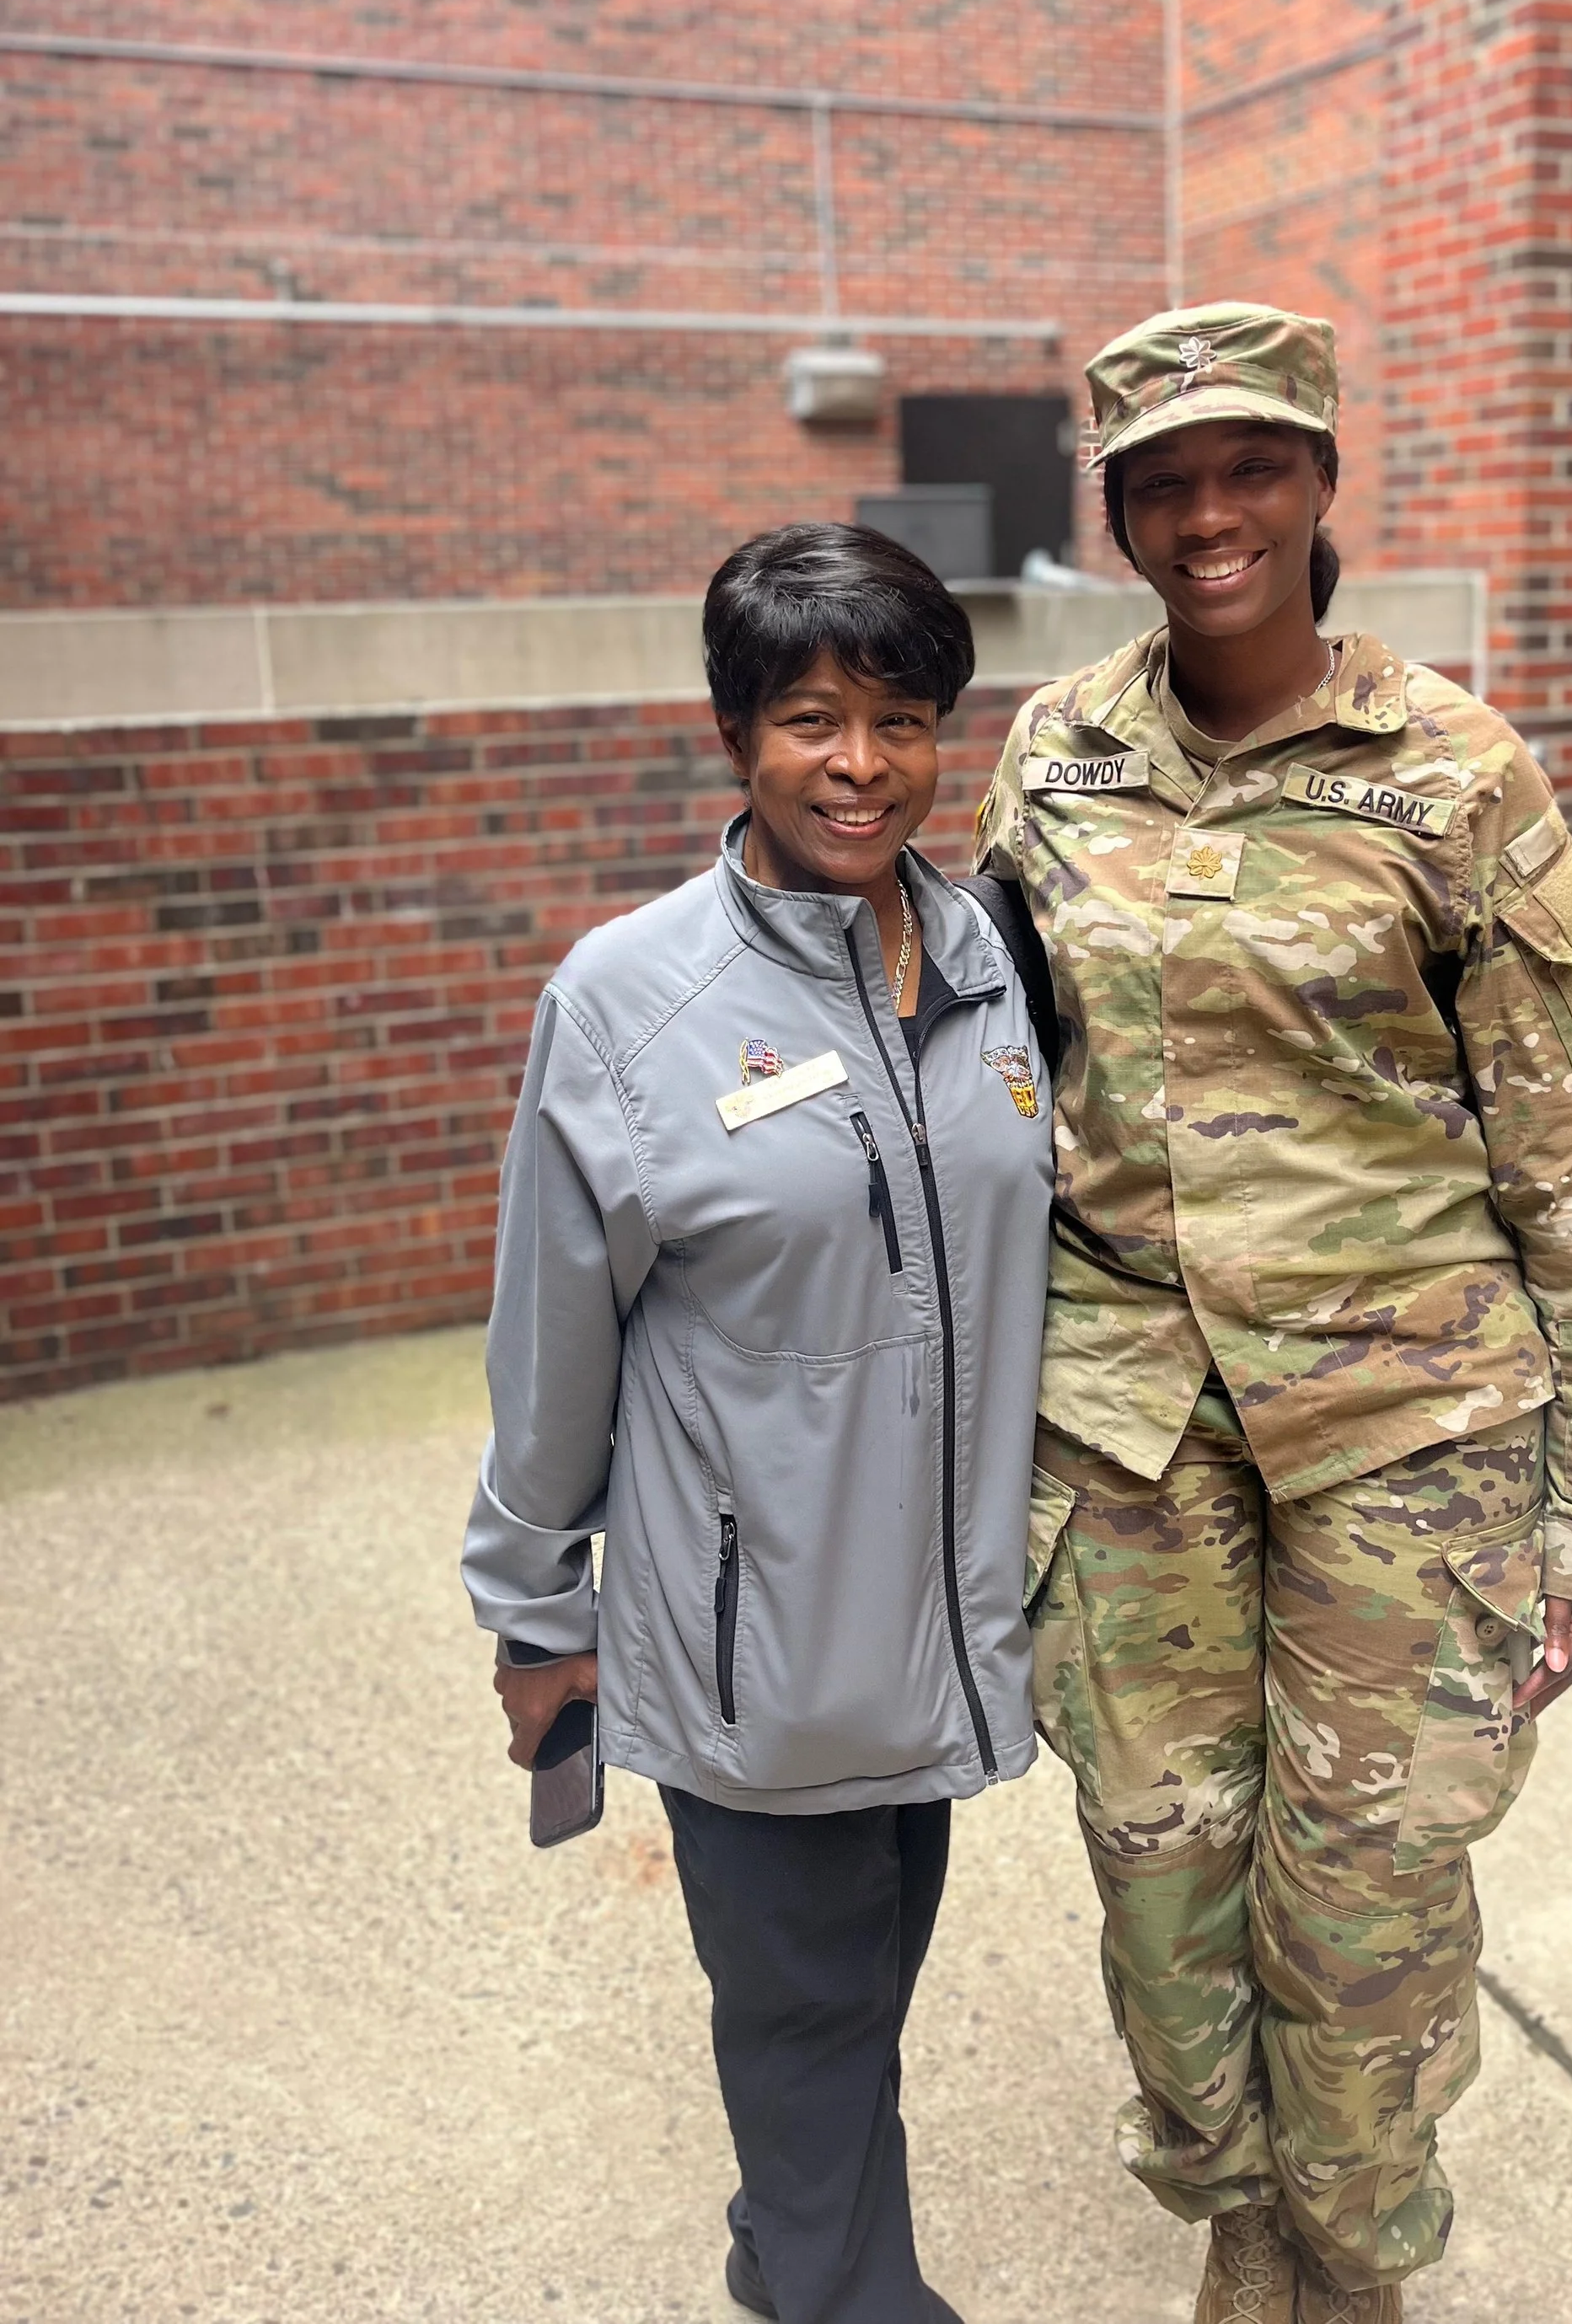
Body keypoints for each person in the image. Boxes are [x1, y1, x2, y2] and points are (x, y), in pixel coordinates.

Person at [974, 302, 1572, 2324]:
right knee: (1161, 1880)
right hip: (1124, 1428)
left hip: (1408, 1432)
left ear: (1318, 481)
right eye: (1165, 481)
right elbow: (1004, 1086)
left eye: (1248, 468)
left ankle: (1357, 2259)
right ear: (1117, 513)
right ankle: (1234, 2205)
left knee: (1357, 1901)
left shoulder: (1451, 772)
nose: (1210, 515)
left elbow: (1560, 1162)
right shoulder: (1054, 754)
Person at [463, 522, 1055, 2324]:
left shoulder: (985, 953)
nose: (858, 765)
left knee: (853, 2001)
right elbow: (551, 1333)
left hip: (942, 1628)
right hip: (759, 1642)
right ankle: (835, 2291)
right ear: (735, 732)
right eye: (810, 717)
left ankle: (779, 2242)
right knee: (806, 2015)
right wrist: (533, 1608)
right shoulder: (635, 999)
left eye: (898, 718)